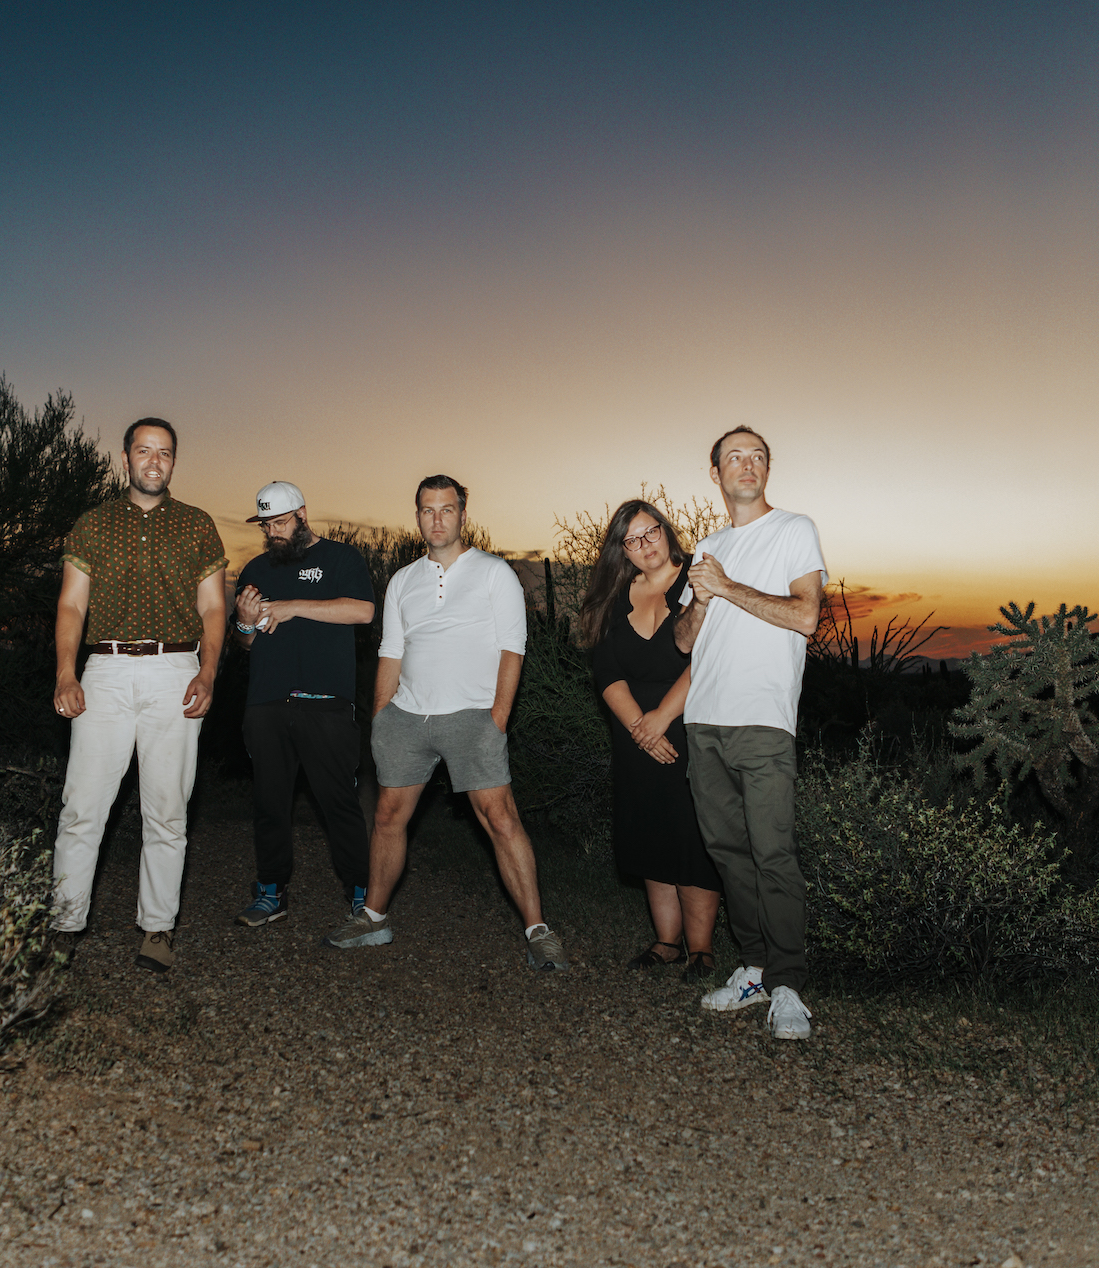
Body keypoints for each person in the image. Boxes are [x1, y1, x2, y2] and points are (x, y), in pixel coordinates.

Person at [322, 474, 570, 972]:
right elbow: (391, 651)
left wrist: (497, 719)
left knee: (500, 819)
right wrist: (381, 718)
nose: (438, 519)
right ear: (417, 516)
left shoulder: (493, 572)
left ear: (463, 514)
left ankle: (538, 930)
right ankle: (373, 917)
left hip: (473, 716)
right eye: (427, 510)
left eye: (447, 509)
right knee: (389, 818)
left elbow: (512, 649)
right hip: (407, 718)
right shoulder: (403, 581)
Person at [50, 417, 229, 975]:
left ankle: (157, 929)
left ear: (174, 462)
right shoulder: (94, 525)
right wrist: (65, 673)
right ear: (125, 458)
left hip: (176, 669)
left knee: (167, 810)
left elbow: (214, 610)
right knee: (82, 806)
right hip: (103, 669)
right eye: (144, 451)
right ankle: (63, 924)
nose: (155, 461)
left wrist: (208, 673)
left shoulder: (197, 526)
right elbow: (72, 606)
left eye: (165, 452)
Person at [675, 425, 826, 1038]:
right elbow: (685, 641)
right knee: (729, 853)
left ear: (767, 470)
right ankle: (756, 969)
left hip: (763, 720)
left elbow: (806, 615)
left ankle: (789, 985)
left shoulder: (794, 530)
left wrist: (728, 587)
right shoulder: (706, 548)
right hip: (703, 721)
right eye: (734, 457)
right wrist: (702, 598)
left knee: (773, 853)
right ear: (715, 474)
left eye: (758, 456)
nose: (747, 464)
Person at [576, 499, 723, 981]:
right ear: (621, 550)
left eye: (651, 533)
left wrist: (660, 717)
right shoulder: (614, 597)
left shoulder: (696, 582)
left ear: (666, 531)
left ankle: (701, 949)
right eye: (632, 539)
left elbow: (704, 659)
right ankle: (666, 942)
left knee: (690, 835)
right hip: (633, 732)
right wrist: (641, 727)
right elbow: (606, 671)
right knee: (649, 831)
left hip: (687, 723)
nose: (645, 545)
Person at [230, 480, 377, 927]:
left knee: (338, 803)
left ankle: (362, 893)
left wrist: (293, 606)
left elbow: (364, 612)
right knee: (270, 802)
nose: (273, 532)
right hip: (267, 704)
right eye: (266, 525)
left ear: (302, 515)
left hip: (326, 704)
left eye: (280, 522)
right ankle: (271, 891)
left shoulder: (341, 558)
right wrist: (244, 622)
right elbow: (248, 645)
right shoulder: (255, 569)